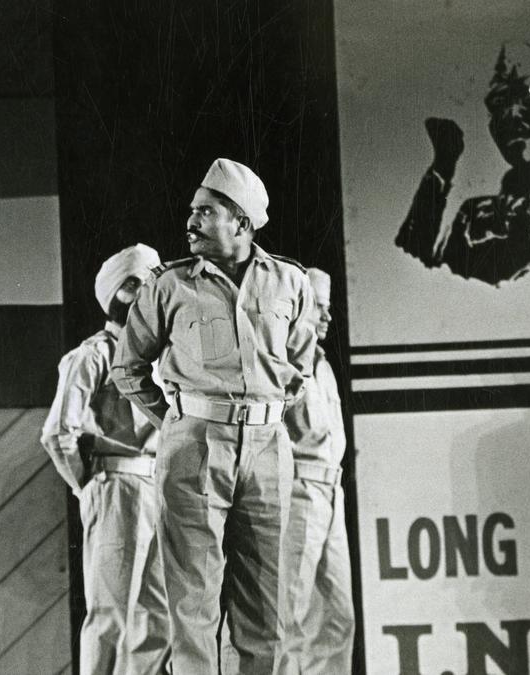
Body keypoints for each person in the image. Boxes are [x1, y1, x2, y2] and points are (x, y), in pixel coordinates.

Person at [113, 158, 316, 673]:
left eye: (205, 212)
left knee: (266, 611)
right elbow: (127, 367)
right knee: (193, 608)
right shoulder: (168, 285)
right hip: (195, 447)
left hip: (269, 449)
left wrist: (267, 412)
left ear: (241, 223)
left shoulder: (290, 282)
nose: (191, 221)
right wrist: (177, 421)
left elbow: (301, 363)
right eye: (192, 211)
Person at [41, 243, 170, 674]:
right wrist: (89, 486)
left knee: (157, 618)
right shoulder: (93, 355)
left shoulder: (160, 360)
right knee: (112, 614)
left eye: (151, 283)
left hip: (160, 488)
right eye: (133, 284)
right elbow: (58, 433)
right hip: (117, 486)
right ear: (114, 294)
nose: (143, 293)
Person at [396, 47, 530, 285]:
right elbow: (416, 265)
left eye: (529, 100)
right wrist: (443, 165)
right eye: (500, 103)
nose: (512, 115)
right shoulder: (480, 212)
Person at [279, 268, 353, 672]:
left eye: (328, 307)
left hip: (330, 492)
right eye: (318, 308)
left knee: (336, 618)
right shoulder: (281, 359)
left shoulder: (322, 364)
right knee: (284, 616)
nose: (327, 316)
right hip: (298, 489)